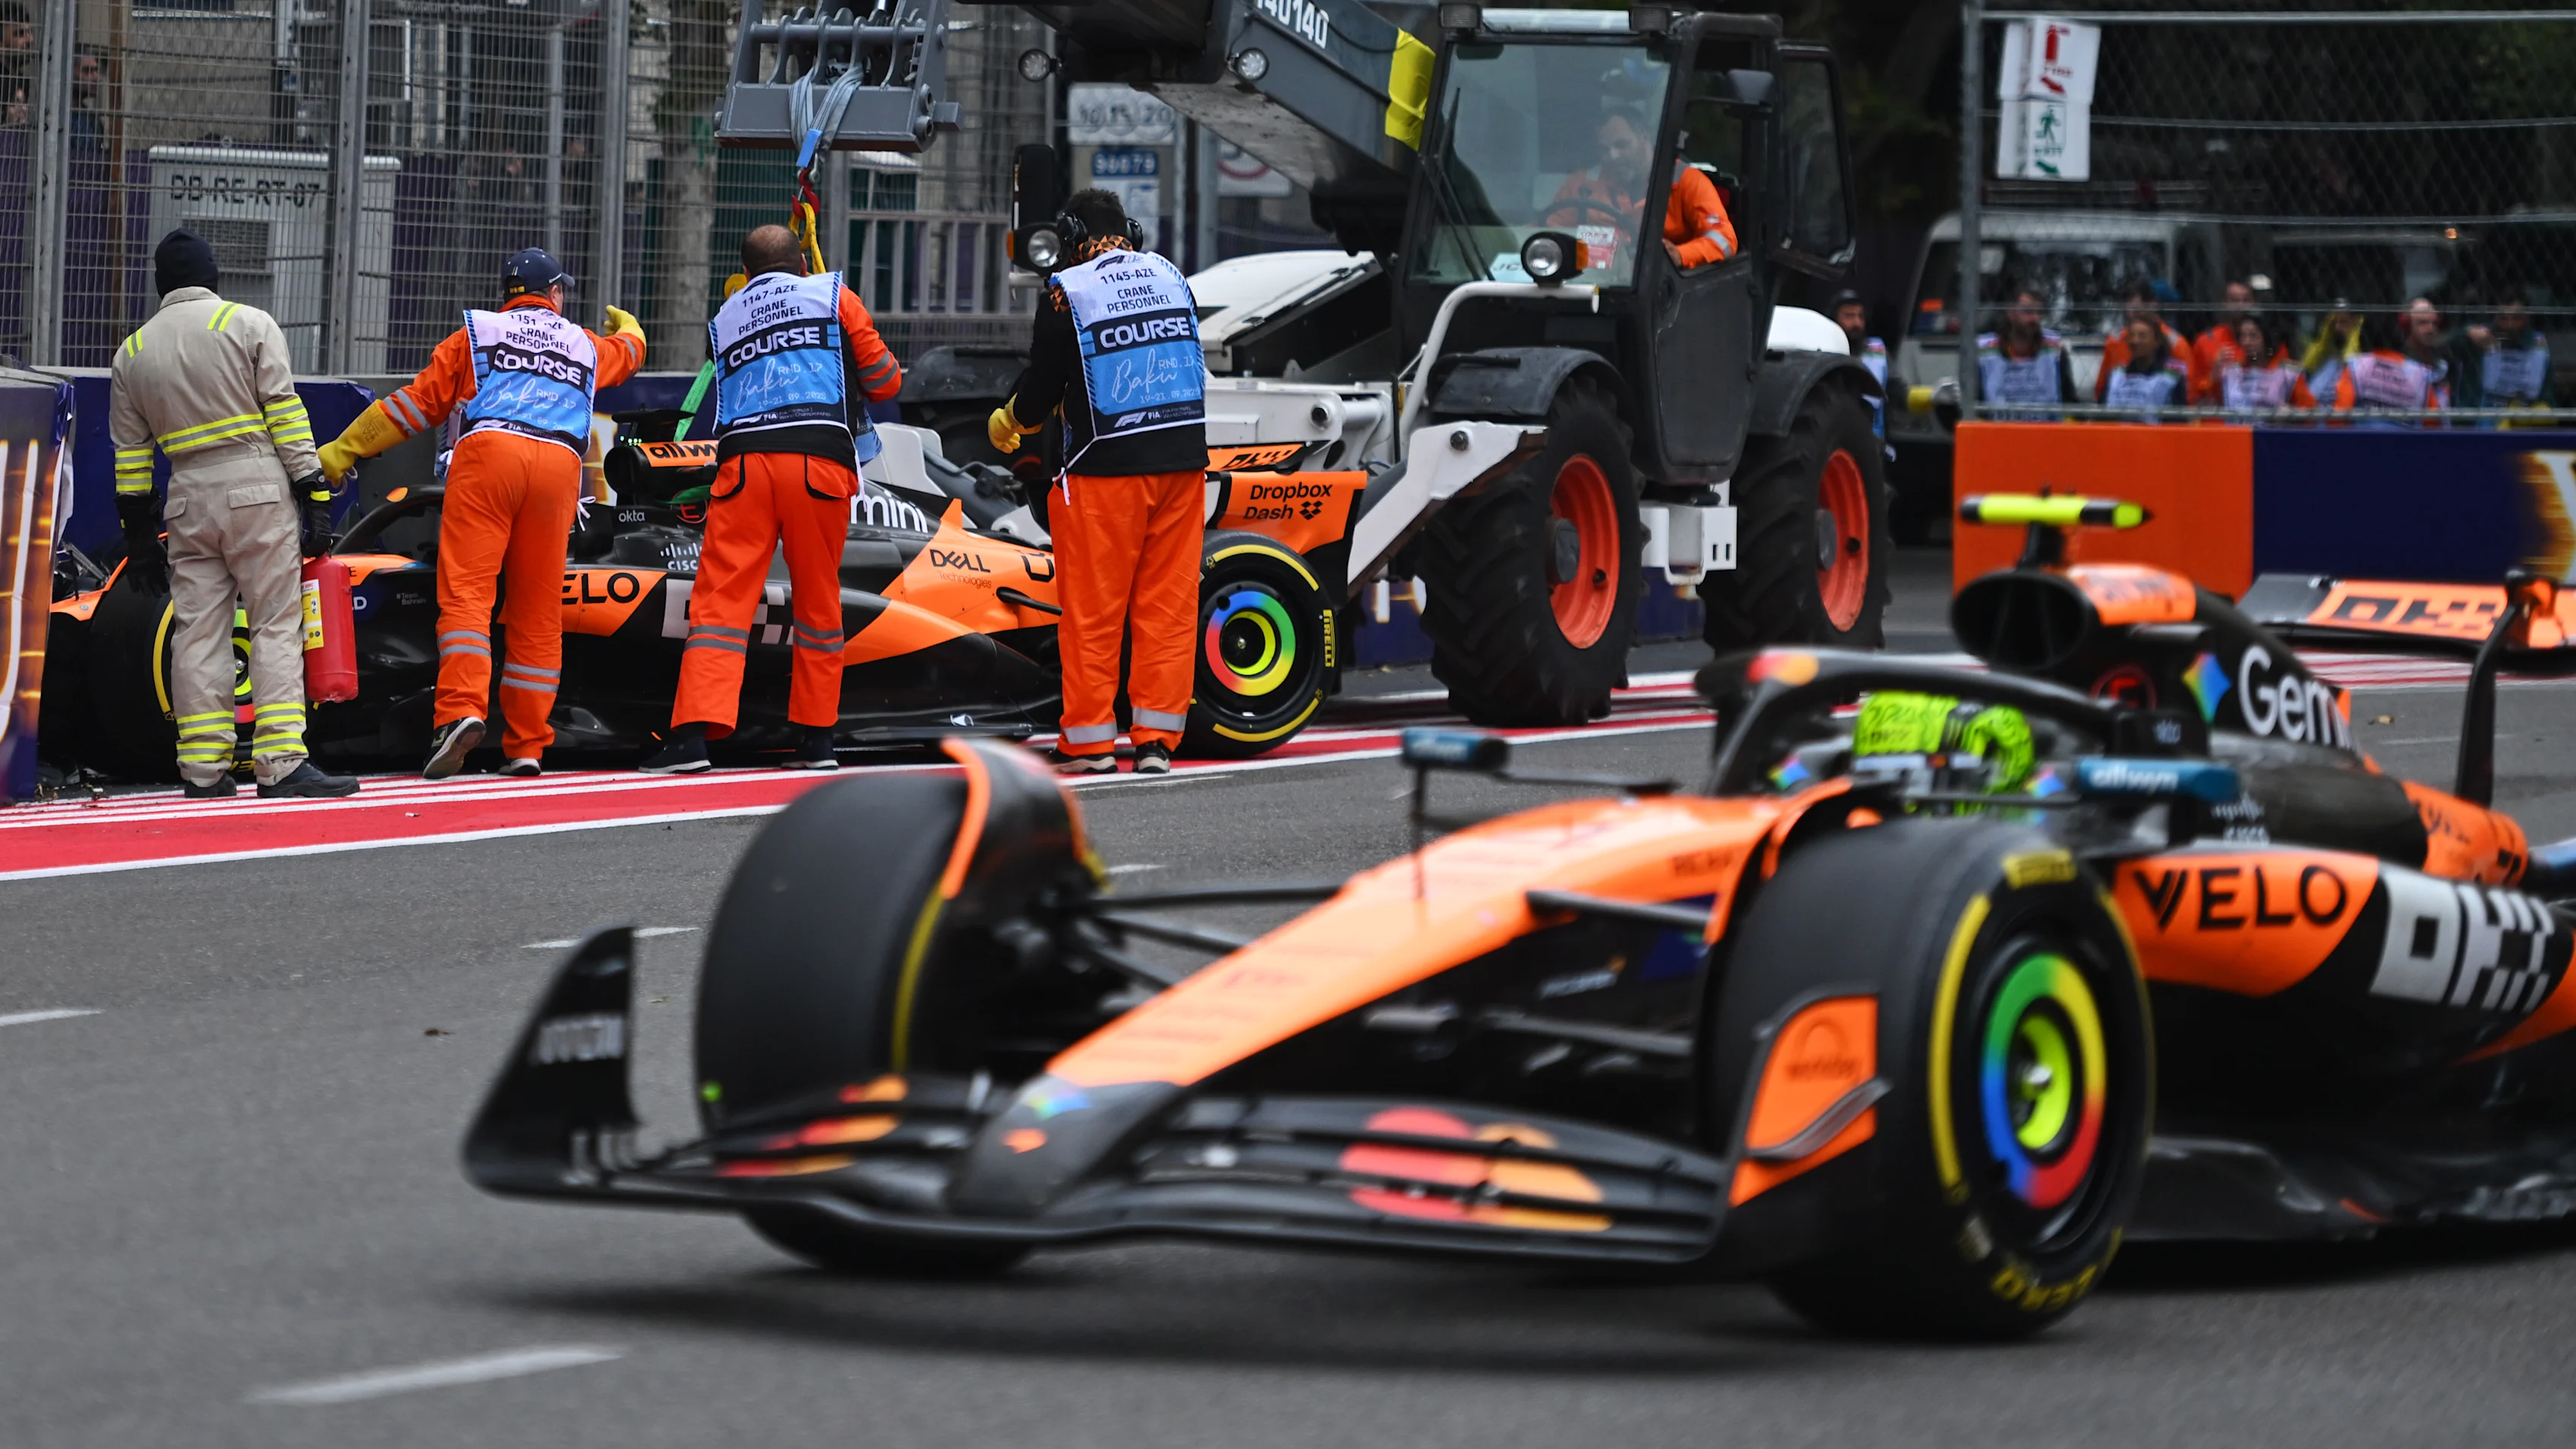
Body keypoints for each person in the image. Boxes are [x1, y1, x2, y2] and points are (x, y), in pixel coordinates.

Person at [315, 248, 645, 778]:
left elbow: (415, 405)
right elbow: (628, 353)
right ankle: (527, 745)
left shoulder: (479, 333)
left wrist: (344, 449)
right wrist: (631, 328)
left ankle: (461, 715)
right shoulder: (584, 341)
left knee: (469, 596)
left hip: (490, 455)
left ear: (508, 296)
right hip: (560, 465)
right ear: (555, 294)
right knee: (538, 613)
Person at [638, 224, 902, 774]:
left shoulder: (726, 316)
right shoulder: (833, 295)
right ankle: (815, 741)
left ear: (748, 271)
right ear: (801, 261)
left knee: (720, 604)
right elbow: (884, 382)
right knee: (818, 603)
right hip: (817, 463)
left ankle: (690, 737)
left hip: (743, 468)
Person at [108, 229, 360, 799]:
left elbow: (130, 459)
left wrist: (140, 535)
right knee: (274, 622)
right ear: (212, 275)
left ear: (160, 284)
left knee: (198, 632)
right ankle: (281, 763)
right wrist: (313, 491)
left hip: (186, 498)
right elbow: (286, 415)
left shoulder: (132, 353)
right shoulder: (247, 324)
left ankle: (201, 769)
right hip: (255, 490)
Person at [989, 189, 1205, 775]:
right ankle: (1157, 742)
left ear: (1074, 236)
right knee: (1167, 607)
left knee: (1094, 609)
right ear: (1128, 230)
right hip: (1183, 464)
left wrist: (1013, 420)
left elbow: (1043, 383)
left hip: (1103, 469)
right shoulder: (1171, 276)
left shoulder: (1068, 293)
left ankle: (1089, 743)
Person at [1545, 109, 1736, 274]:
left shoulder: (1686, 181)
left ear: (1644, 137)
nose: (1612, 156)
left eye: (1621, 145)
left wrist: (1679, 255)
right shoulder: (1582, 183)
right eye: (1604, 149)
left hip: (1665, 292)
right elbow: (1548, 231)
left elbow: (1724, 239)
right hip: (1595, 287)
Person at [1974, 287, 2076, 417]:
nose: (2035, 318)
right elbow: (1975, 402)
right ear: (2010, 313)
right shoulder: (1986, 351)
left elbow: (2070, 400)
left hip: (2044, 432)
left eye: (2039, 312)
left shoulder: (2054, 350)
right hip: (1999, 432)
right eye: (2028, 311)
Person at [2333, 311, 2443, 423]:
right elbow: (2433, 423)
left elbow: (2338, 416)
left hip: (2364, 438)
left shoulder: (2356, 367)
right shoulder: (2420, 374)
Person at [2093, 278, 2189, 402]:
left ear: (2153, 305)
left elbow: (2189, 393)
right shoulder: (2114, 341)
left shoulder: (2176, 343)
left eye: (2138, 310)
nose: (2136, 341)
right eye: (2129, 310)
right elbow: (2102, 389)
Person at [2209, 314, 2315, 415]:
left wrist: (2291, 414)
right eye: (2243, 336)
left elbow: (2310, 411)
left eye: (2253, 336)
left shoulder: (2289, 373)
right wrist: (2215, 374)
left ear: (2266, 337)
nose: (2246, 342)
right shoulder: (2231, 371)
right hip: (2237, 431)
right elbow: (2211, 400)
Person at [2477, 288, 2553, 421]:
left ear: (2527, 316)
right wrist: (2467, 331)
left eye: (2517, 318)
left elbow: (2548, 391)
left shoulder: (2538, 343)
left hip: (2523, 418)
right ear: (2495, 317)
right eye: (2504, 319)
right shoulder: (2482, 336)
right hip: (2486, 416)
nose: (2510, 325)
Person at [2100, 314, 2189, 421]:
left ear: (2156, 341)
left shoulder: (2171, 376)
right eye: (2131, 336)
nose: (2135, 341)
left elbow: (2178, 420)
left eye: (2142, 336)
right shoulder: (2116, 374)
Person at [2189, 279, 2268, 392]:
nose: (2240, 305)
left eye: (2245, 300)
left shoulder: (2269, 343)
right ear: (2224, 303)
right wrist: (2214, 376)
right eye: (2234, 300)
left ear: (2254, 302)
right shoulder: (2206, 341)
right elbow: (2193, 390)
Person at [1830, 289, 1889, 441]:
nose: (1857, 323)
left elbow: (1898, 391)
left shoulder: (1876, 349)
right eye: (1849, 316)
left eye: (1860, 316)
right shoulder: (1823, 350)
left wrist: (1930, 397)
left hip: (1872, 445)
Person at [2302, 300, 2364, 399]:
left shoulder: (2361, 360)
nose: (2337, 328)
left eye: (2343, 322)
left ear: (2355, 323)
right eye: (2334, 323)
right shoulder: (2327, 359)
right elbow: (2309, 364)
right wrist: (2326, 337)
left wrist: (2353, 335)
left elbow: (2349, 359)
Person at [2401, 297, 2454, 412]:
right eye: (2423, 323)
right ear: (2407, 325)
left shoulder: (2442, 361)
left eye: (2434, 323)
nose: (2431, 329)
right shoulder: (2399, 361)